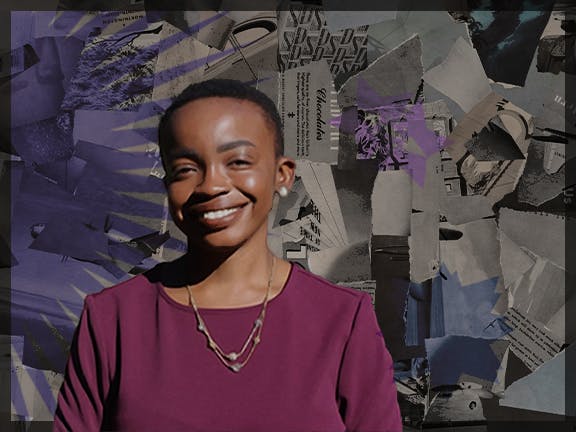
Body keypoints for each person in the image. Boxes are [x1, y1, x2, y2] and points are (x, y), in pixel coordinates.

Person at [53, 79, 402, 431]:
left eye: (237, 161)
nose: (211, 185)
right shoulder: (112, 320)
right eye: (186, 169)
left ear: (282, 175)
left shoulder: (343, 321)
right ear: (168, 184)